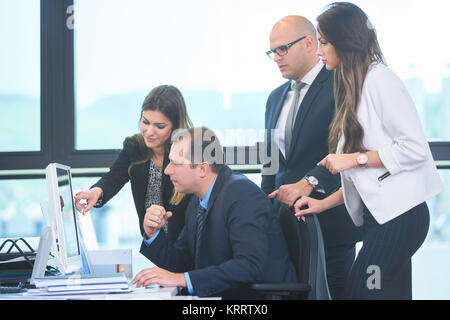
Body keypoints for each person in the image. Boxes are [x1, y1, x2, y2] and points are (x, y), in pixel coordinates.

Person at [294, 2, 443, 300]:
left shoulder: (380, 80)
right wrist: (323, 204)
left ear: (344, 40)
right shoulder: (355, 86)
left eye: (323, 42)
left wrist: (354, 158)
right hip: (382, 219)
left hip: (401, 217)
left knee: (361, 291)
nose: (318, 51)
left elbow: (414, 148)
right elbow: (365, 180)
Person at [262, 15, 361, 299]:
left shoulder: (340, 83)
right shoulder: (275, 98)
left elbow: (344, 153)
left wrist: (308, 183)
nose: (276, 58)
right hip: (286, 228)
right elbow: (271, 163)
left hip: (330, 224)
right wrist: (265, 214)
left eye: (283, 49)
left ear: (308, 43)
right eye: (272, 51)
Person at [133, 127, 296, 298]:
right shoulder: (198, 201)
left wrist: (182, 279)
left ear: (203, 169)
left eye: (176, 163)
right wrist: (153, 234)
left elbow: (249, 266)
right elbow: (181, 263)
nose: (168, 170)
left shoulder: (241, 194)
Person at [74, 85, 193, 243]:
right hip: (153, 241)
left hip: (184, 244)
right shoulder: (134, 146)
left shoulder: (187, 151)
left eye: (160, 126)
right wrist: (96, 192)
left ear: (176, 126)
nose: (149, 132)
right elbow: (114, 177)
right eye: (145, 122)